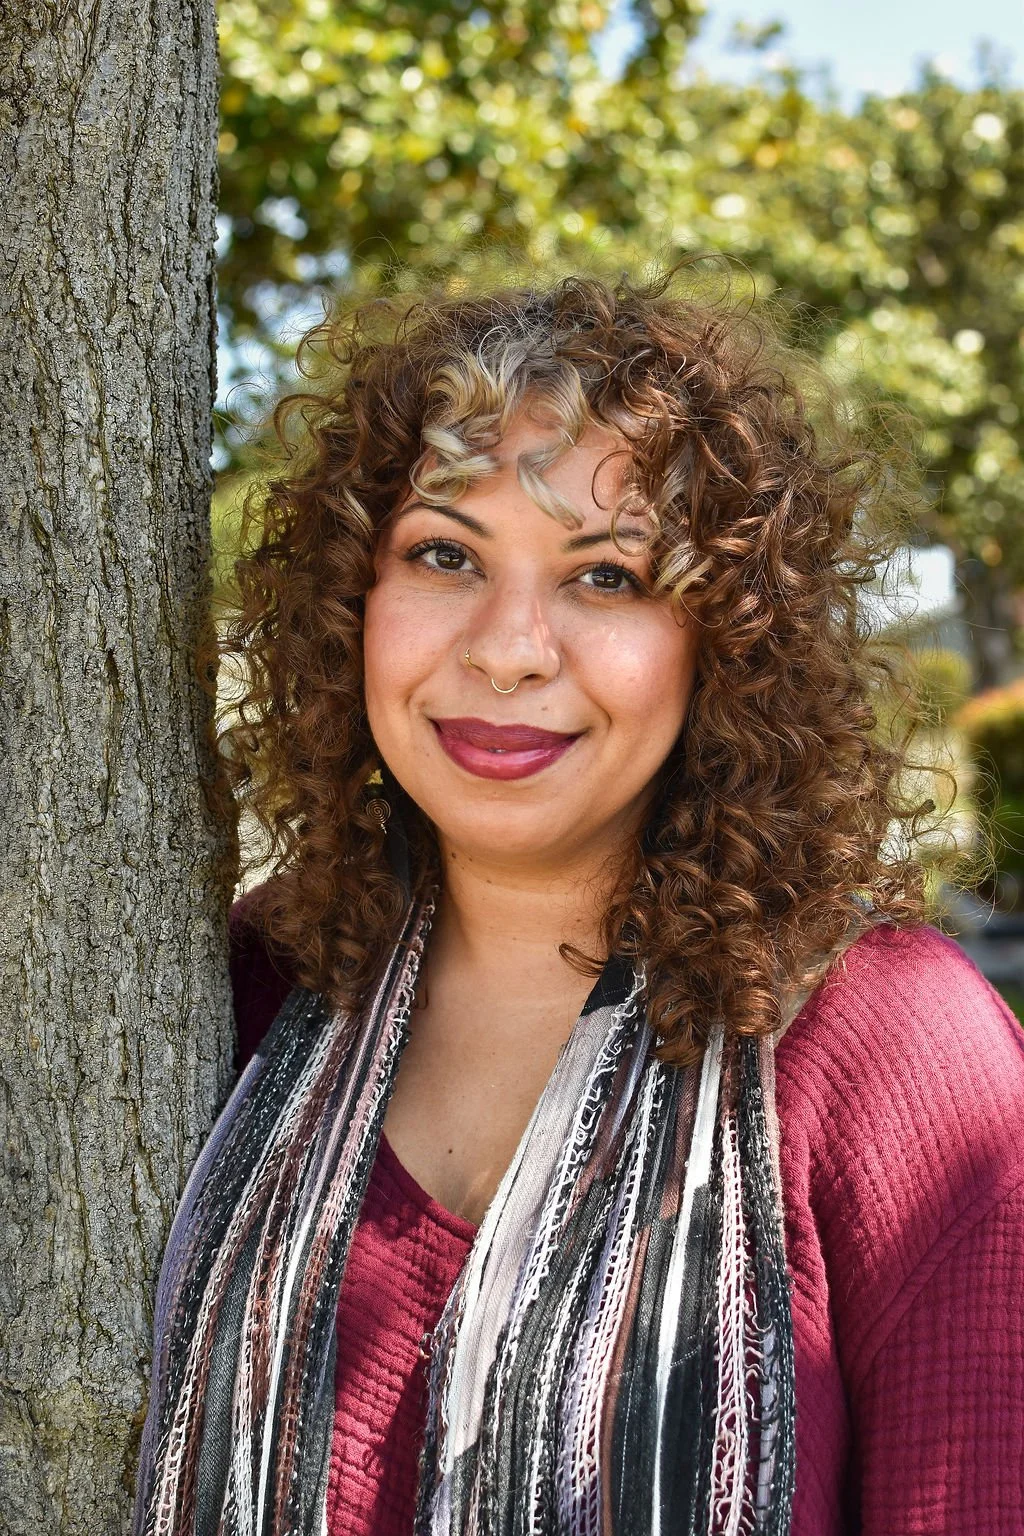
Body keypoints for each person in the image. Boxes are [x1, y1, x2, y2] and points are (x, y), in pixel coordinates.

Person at [133, 267, 1024, 1536]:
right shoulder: (240, 989)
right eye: (443, 554)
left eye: (607, 576)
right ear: (349, 603)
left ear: (724, 638)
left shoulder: (894, 1057)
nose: (507, 649)